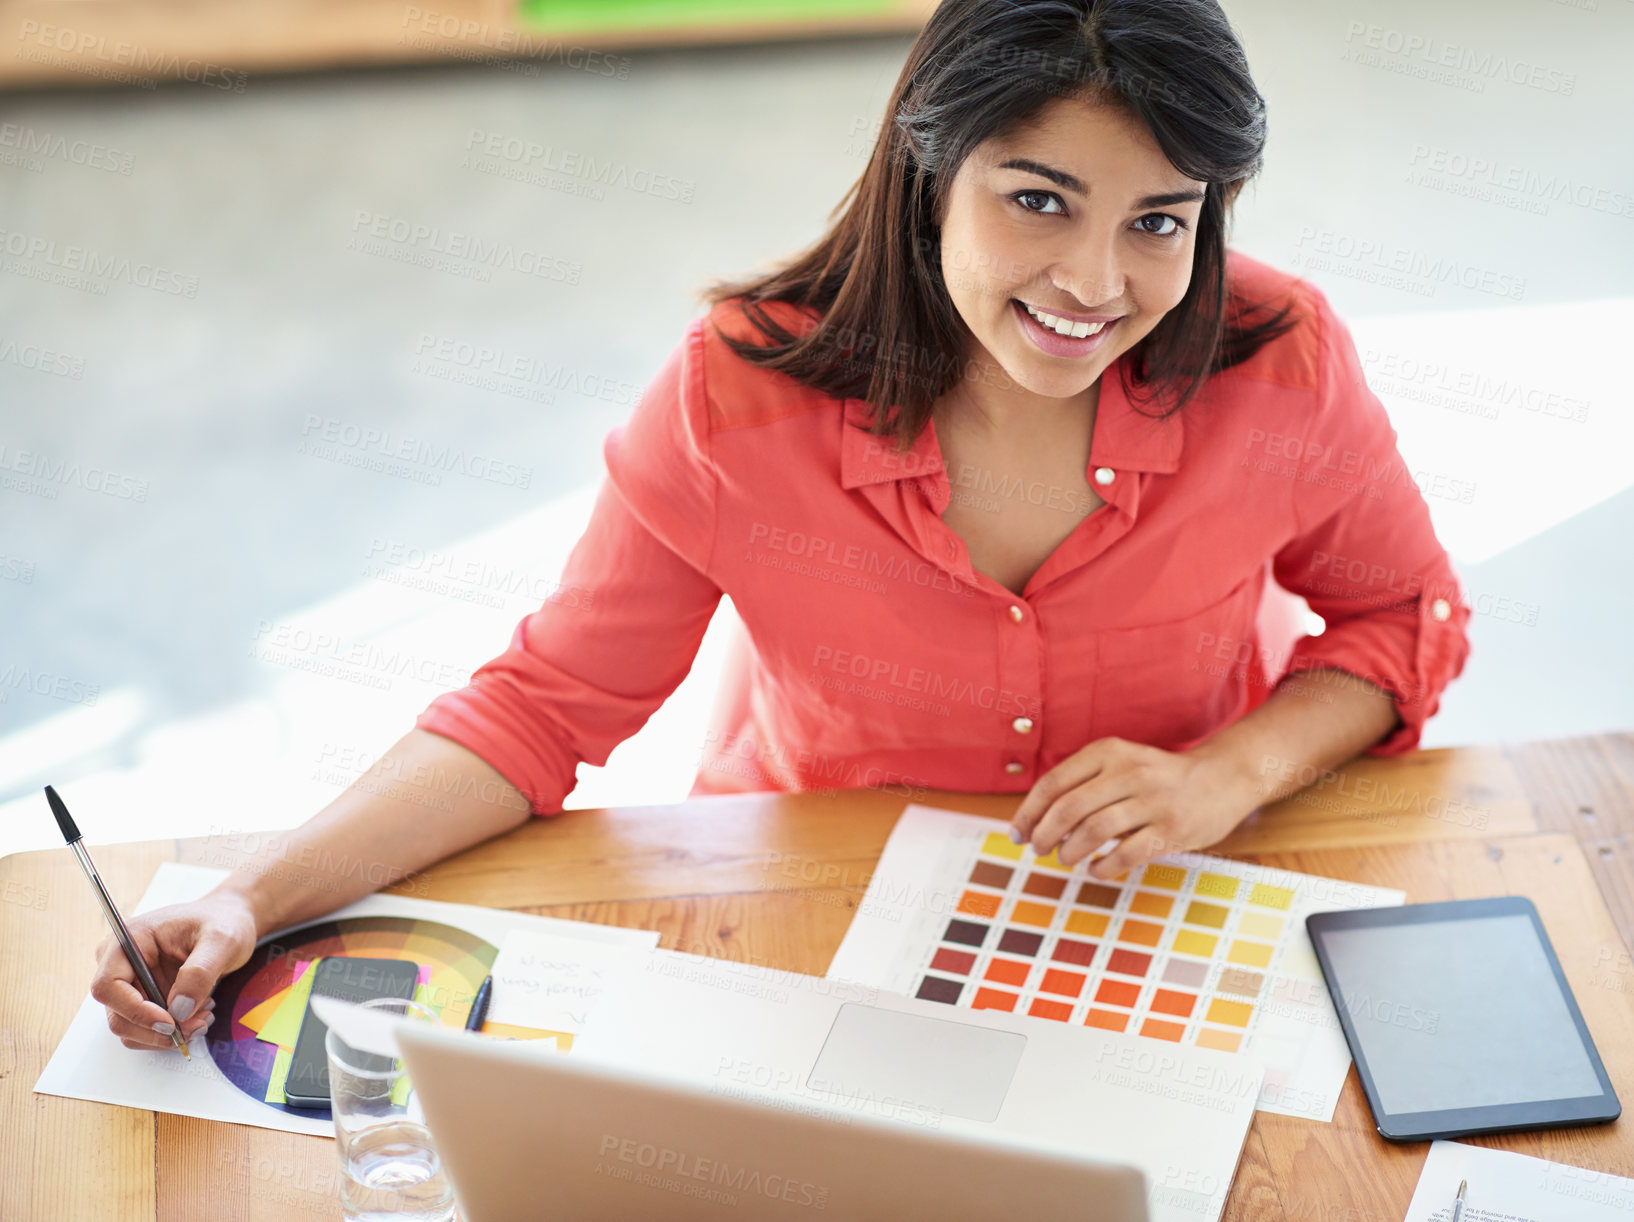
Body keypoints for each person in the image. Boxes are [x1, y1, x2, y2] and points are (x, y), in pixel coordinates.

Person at [92, 0, 1470, 1051]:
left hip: (1155, 894)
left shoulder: (1277, 361)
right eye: (1035, 200)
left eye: (1159, 222)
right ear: (928, 163)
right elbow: (539, 705)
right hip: (815, 896)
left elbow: (1399, 619)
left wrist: (1228, 769)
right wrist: (250, 898)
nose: (1095, 283)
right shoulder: (733, 394)